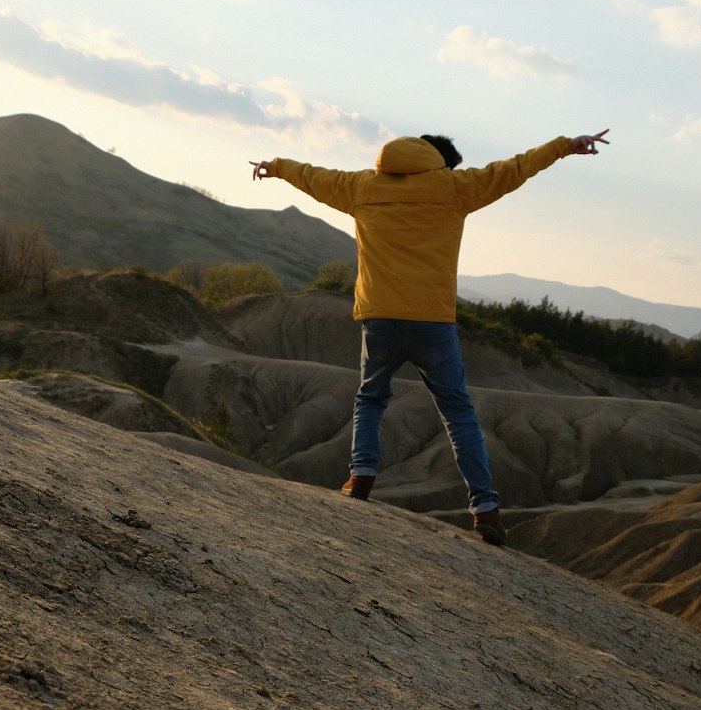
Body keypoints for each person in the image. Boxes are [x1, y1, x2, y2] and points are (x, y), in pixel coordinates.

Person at [251, 128, 609, 545]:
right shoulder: (455, 187)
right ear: (441, 162)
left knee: (370, 398)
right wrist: (565, 146)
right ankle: (486, 508)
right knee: (458, 414)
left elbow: (312, 175)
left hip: (380, 317)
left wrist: (274, 167)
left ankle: (361, 476)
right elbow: (514, 169)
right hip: (432, 321)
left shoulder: (360, 186)